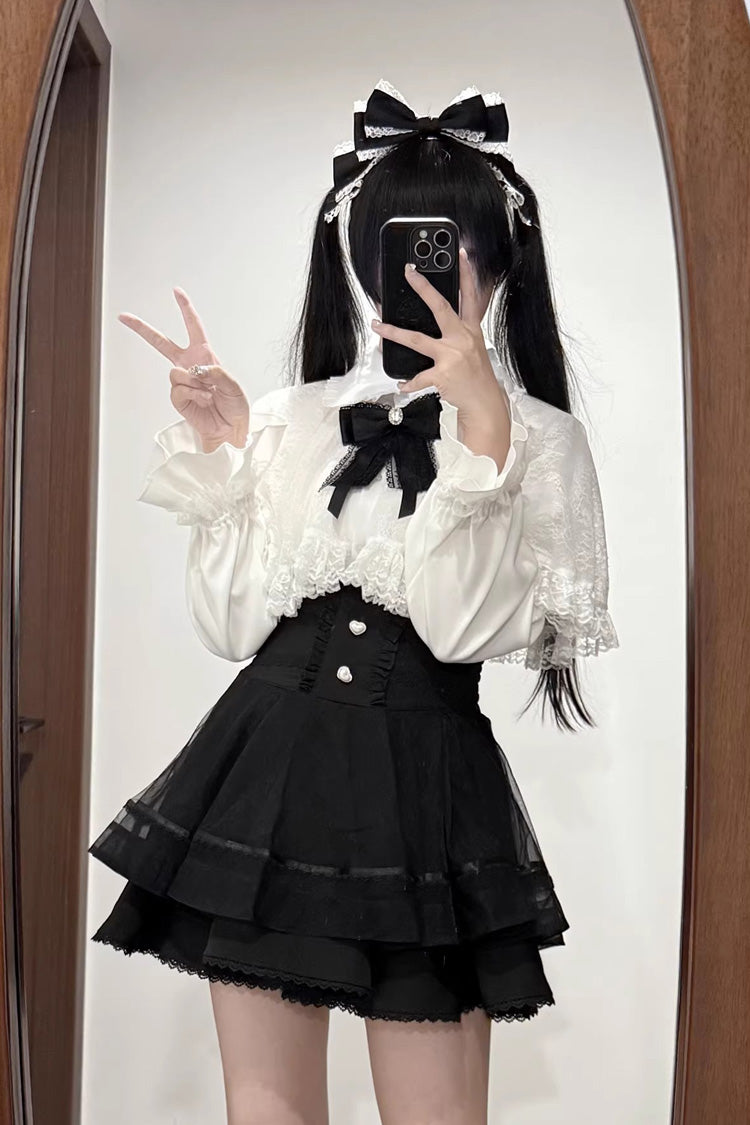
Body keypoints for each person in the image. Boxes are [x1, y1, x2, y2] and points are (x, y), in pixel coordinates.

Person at [88, 81, 618, 1125]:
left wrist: (482, 436)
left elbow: (459, 629)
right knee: (266, 1114)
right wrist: (224, 447)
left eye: (455, 246)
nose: (428, 272)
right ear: (361, 257)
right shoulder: (295, 416)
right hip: (264, 778)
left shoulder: (541, 440)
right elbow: (231, 628)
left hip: (428, 795)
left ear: (502, 261)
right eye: (400, 245)